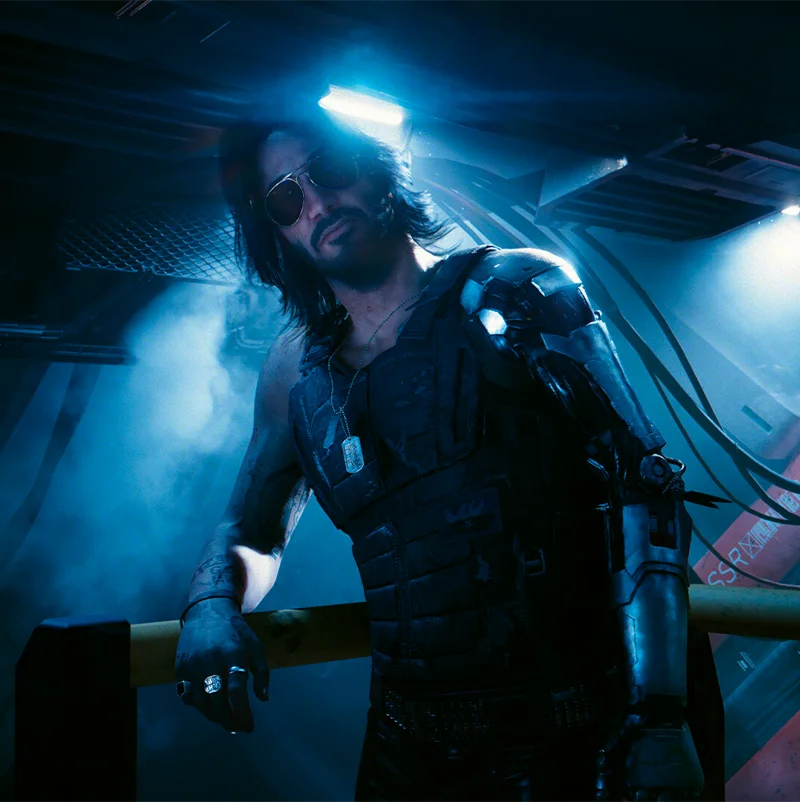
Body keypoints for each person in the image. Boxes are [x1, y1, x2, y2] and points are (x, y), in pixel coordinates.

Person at [174, 106, 719, 801]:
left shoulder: (516, 290)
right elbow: (250, 530)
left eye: (329, 170)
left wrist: (660, 718)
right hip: (408, 747)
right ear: (275, 234)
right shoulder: (294, 374)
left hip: (582, 727)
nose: (317, 202)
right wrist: (212, 602)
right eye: (286, 198)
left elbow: (642, 487)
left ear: (376, 173)